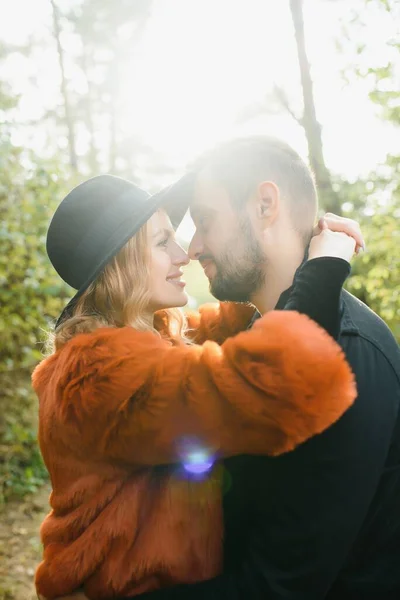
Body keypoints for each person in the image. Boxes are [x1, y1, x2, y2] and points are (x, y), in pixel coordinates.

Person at [33, 173, 359, 600]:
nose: (183, 254)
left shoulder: (155, 335)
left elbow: (225, 323)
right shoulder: (96, 374)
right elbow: (267, 384)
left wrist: (286, 249)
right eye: (162, 241)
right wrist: (324, 266)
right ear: (121, 263)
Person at [121, 136, 398, 600]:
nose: (194, 247)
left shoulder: (345, 357)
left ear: (265, 205)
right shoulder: (249, 335)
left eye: (205, 221)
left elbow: (278, 587)